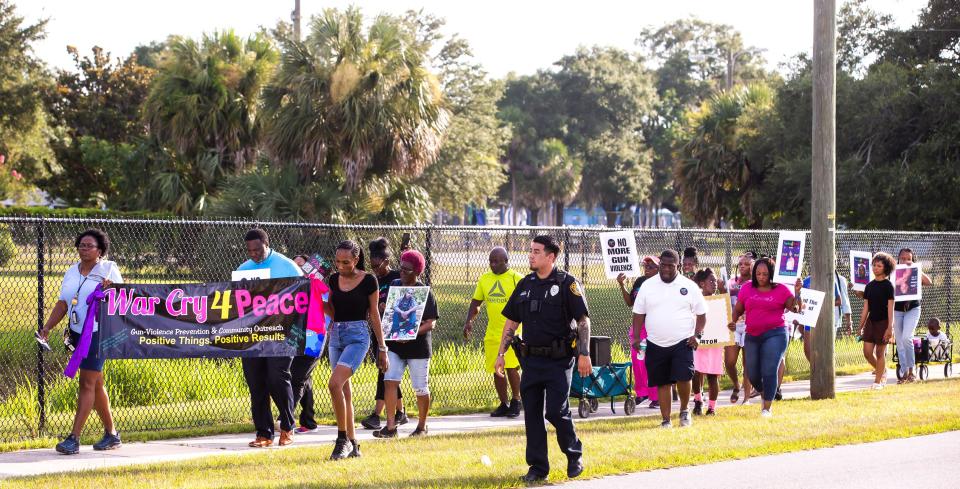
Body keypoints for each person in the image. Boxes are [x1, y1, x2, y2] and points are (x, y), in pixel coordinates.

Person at [495, 235, 592, 482]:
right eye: (531, 251)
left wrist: (584, 353)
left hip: (559, 361)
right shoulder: (525, 284)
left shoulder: (567, 283)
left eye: (536, 252)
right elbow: (512, 321)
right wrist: (501, 353)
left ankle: (574, 455)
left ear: (551, 257)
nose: (531, 255)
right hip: (531, 361)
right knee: (533, 415)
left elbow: (583, 320)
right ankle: (538, 468)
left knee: (556, 412)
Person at [39, 229, 123, 455]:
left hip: (97, 333)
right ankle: (112, 434)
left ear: (100, 250)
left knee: (86, 383)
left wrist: (111, 288)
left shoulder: (108, 270)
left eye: (89, 246)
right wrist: (47, 327)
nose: (84, 249)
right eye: (81, 245)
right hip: (77, 332)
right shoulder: (71, 271)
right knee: (96, 384)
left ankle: (74, 438)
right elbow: (63, 303)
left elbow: (122, 300)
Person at [235, 229, 303, 448]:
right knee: (256, 383)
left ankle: (286, 426)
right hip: (253, 336)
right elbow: (237, 304)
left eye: (257, 249)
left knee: (277, 377)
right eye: (250, 251)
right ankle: (264, 433)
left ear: (267, 244)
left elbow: (301, 299)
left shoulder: (287, 266)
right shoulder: (243, 270)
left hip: (281, 334)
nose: (253, 254)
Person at [327, 240, 389, 459]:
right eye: (337, 262)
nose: (341, 266)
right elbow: (333, 312)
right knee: (344, 391)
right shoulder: (333, 279)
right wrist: (317, 296)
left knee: (334, 384)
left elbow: (374, 314)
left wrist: (382, 347)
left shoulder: (368, 280)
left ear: (356, 259)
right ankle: (354, 444)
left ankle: (341, 440)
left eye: (346, 262)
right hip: (336, 336)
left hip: (358, 337)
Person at [632, 249, 707, 428]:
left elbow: (702, 314)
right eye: (663, 265)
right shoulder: (648, 286)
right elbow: (638, 313)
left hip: (683, 341)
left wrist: (698, 335)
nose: (665, 269)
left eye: (670, 266)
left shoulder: (689, 286)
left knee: (684, 377)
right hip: (655, 342)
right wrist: (635, 337)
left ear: (678, 266)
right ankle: (666, 420)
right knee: (662, 382)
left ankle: (683, 410)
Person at [373, 249, 439, 438]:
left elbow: (431, 322)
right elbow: (388, 310)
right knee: (390, 381)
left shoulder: (424, 292)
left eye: (407, 269)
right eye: (400, 267)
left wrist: (410, 333)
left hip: (417, 347)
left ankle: (421, 426)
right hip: (395, 344)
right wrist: (384, 308)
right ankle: (391, 426)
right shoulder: (395, 285)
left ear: (417, 272)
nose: (401, 272)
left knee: (420, 387)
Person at [727, 257, 802, 417]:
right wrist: (732, 321)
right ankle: (766, 391)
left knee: (769, 368)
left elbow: (795, 308)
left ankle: (766, 408)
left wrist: (797, 293)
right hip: (753, 334)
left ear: (772, 275)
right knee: (752, 373)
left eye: (765, 274)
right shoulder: (747, 288)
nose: (761, 277)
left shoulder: (781, 289)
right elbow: (738, 309)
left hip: (775, 333)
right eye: (759, 274)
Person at [464, 247, 525, 417]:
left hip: (513, 333)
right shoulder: (485, 279)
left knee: (512, 368)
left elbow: (525, 305)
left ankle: (516, 400)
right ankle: (504, 403)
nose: (492, 264)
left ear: (506, 261)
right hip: (492, 334)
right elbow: (476, 303)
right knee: (497, 370)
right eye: (490, 261)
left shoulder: (517, 279)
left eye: (496, 261)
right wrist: (469, 321)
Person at [361, 238, 407, 431]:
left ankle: (376, 414)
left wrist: (388, 306)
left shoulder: (397, 277)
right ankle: (401, 412)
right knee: (388, 372)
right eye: (372, 266)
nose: (375, 270)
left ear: (387, 262)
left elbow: (408, 303)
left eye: (377, 266)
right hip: (378, 331)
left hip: (395, 331)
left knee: (386, 370)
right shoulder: (373, 280)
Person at [616, 255, 660, 408]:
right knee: (637, 360)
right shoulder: (640, 281)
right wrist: (622, 285)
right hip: (638, 326)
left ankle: (656, 396)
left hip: (653, 326)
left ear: (659, 269)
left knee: (652, 362)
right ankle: (642, 393)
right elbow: (630, 303)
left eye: (651, 266)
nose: (646, 269)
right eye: (645, 266)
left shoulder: (661, 283)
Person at [289, 254, 321, 434]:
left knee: (298, 377)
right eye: (295, 266)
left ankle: (286, 418)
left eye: (302, 266)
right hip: (296, 336)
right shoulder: (290, 289)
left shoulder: (317, 286)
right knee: (305, 379)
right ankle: (309, 422)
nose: (298, 269)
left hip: (314, 337)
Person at [893, 248, 933, 383]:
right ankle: (904, 373)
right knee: (899, 341)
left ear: (912, 260)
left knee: (906, 337)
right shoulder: (894, 271)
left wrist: (916, 269)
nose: (905, 261)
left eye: (908, 258)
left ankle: (912, 370)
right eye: (902, 258)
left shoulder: (915, 271)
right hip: (897, 310)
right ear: (898, 259)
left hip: (913, 309)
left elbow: (928, 282)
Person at [794, 271, 853, 363]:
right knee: (807, 350)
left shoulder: (831, 281)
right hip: (810, 320)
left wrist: (823, 303)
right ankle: (816, 369)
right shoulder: (805, 281)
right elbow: (798, 301)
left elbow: (839, 301)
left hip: (825, 320)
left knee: (825, 350)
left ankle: (823, 370)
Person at [858, 252, 896, 389]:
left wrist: (890, 327)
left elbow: (891, 308)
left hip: (884, 323)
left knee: (880, 353)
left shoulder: (888, 286)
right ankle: (883, 371)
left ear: (886, 268)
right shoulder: (869, 286)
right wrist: (860, 326)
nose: (875, 268)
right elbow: (865, 308)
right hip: (871, 323)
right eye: (874, 265)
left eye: (879, 266)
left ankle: (878, 382)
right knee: (867, 353)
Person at [725, 252, 755, 403]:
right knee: (729, 361)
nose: (743, 266)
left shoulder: (756, 284)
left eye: (746, 264)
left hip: (750, 326)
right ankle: (736, 384)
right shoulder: (730, 282)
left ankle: (746, 398)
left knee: (747, 362)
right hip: (733, 326)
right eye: (740, 264)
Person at [692, 268, 723, 416]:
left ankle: (712, 408)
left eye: (715, 280)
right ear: (702, 283)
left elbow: (725, 322)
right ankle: (698, 400)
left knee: (713, 375)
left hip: (715, 343)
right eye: (711, 280)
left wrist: (729, 326)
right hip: (698, 342)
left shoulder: (721, 302)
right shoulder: (696, 300)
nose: (714, 283)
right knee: (696, 372)